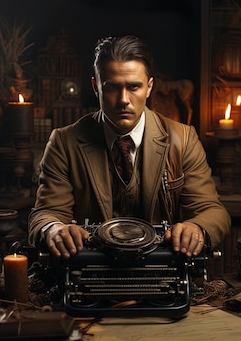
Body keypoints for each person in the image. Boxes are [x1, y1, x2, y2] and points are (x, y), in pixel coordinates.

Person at [28, 35, 230, 257]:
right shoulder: (64, 142)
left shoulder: (183, 139)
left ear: (150, 87)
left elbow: (213, 211)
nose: (124, 99)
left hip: (160, 270)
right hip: (90, 270)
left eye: (134, 87)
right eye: (113, 87)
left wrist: (197, 228)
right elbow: (45, 213)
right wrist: (54, 229)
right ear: (96, 87)